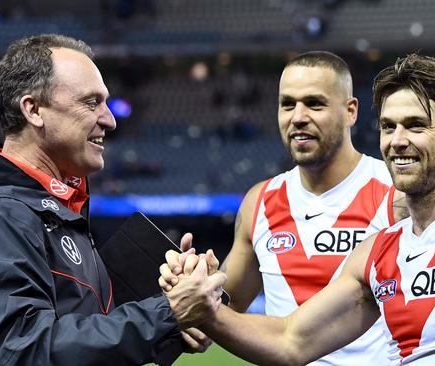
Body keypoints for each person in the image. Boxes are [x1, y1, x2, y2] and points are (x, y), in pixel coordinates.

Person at [161, 54, 435, 365]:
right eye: (388, 126)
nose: (397, 141)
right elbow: (290, 342)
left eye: (416, 125)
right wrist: (203, 304)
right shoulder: (377, 252)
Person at [0, 34, 226, 365]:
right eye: (92, 102)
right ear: (34, 110)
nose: (110, 119)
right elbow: (20, 354)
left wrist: (176, 312)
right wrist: (167, 312)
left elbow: (82, 323)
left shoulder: (51, 209)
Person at [168, 51, 407, 364]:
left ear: (350, 112)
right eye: (287, 104)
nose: (298, 116)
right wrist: (196, 284)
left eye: (314, 103)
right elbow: (224, 311)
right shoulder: (260, 201)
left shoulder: (397, 195)